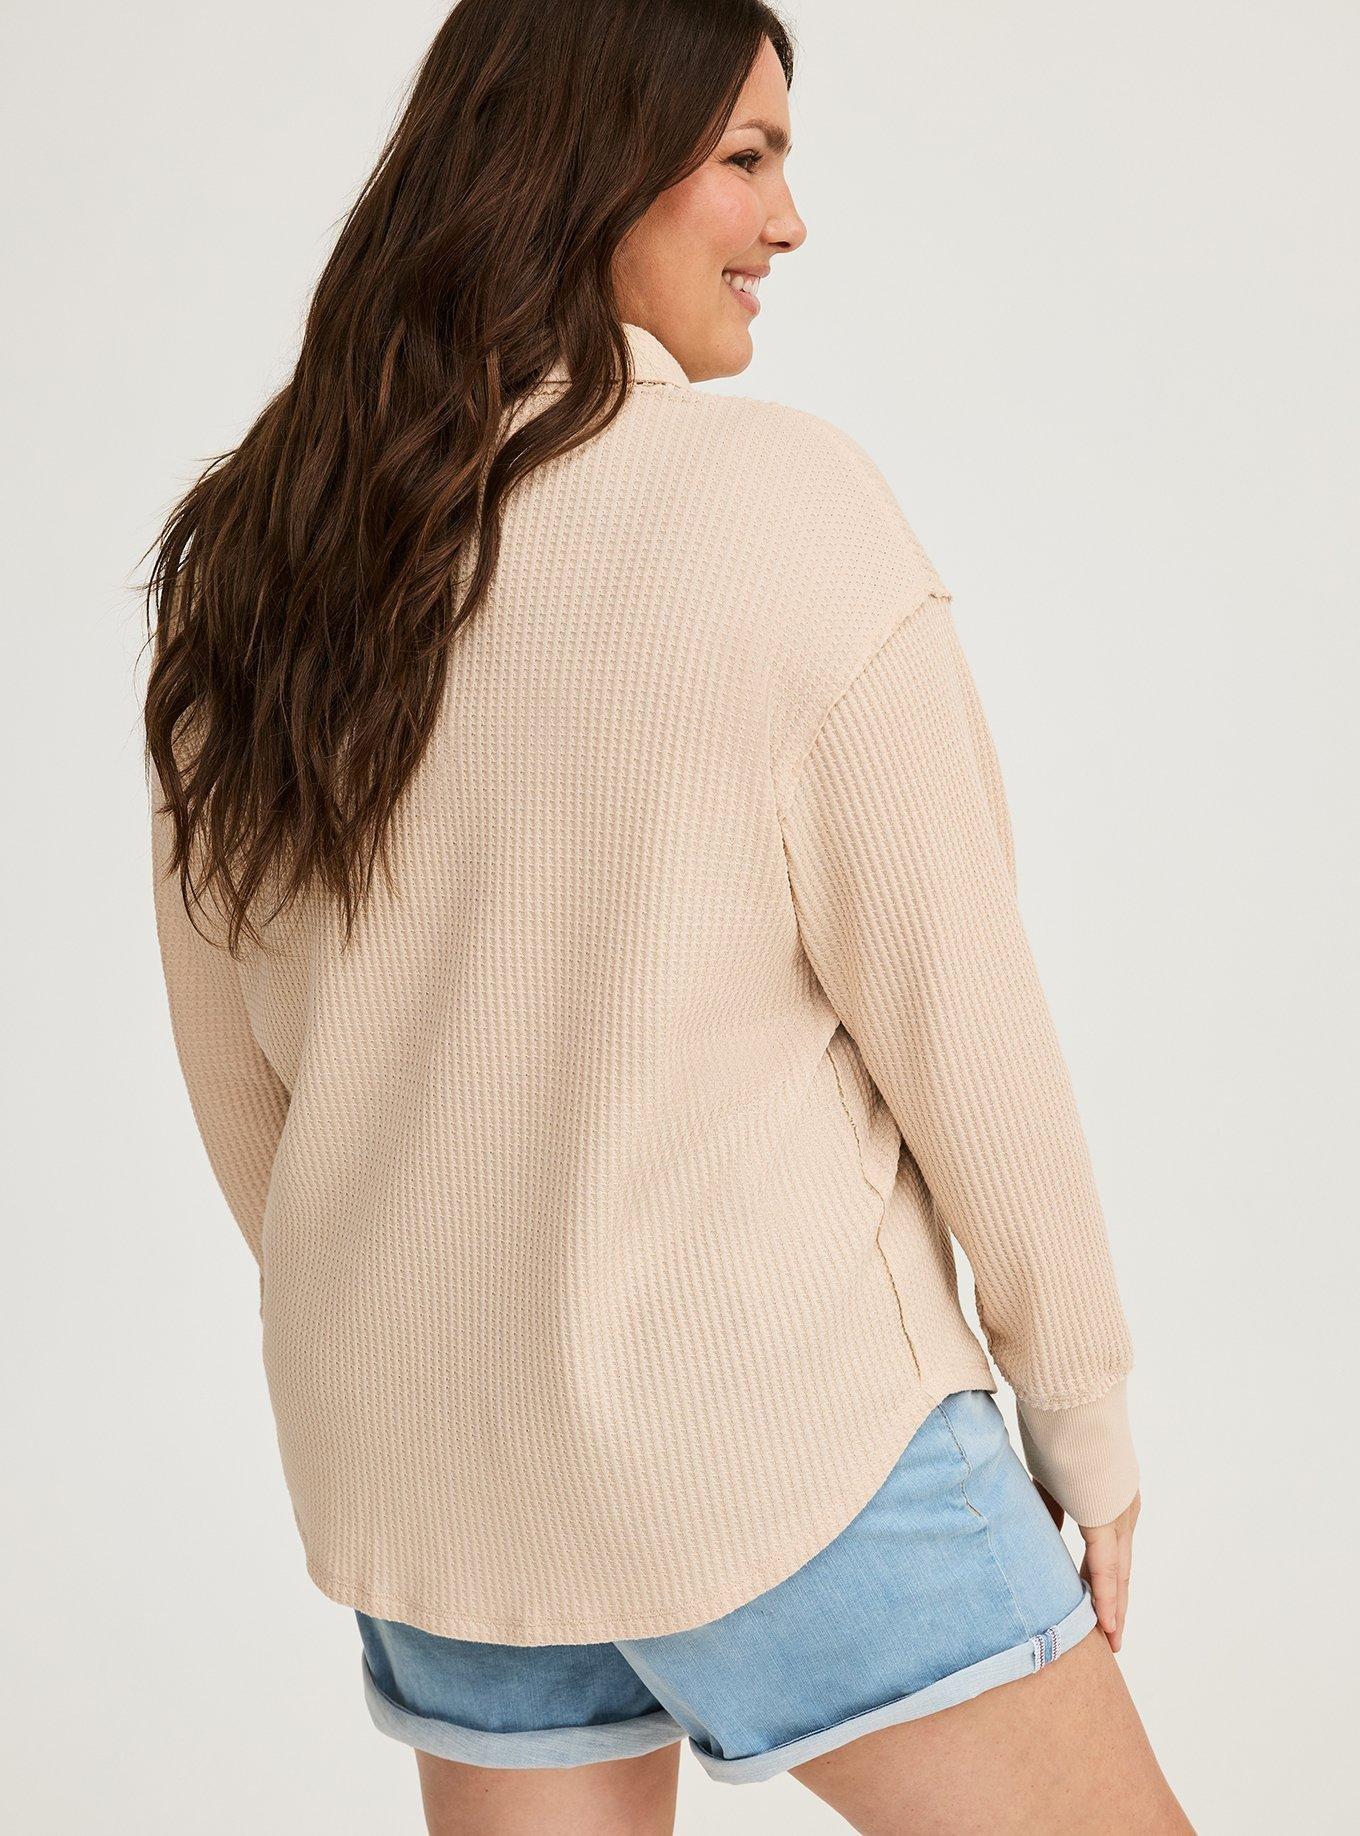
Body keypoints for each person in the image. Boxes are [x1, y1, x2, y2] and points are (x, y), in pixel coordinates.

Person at [141, 2, 1193, 1830]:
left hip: (442, 1480)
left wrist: (457, 1308)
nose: (789, 221)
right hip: (783, 1454)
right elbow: (963, 1022)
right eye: (746, 158)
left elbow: (246, 1084)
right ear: (588, 163)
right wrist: (1082, 1418)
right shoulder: (776, 505)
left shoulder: (262, 549)